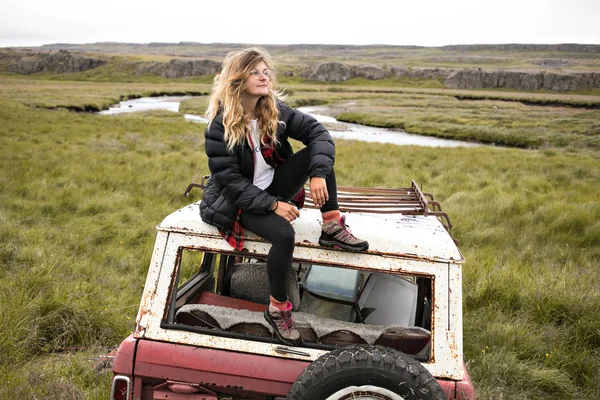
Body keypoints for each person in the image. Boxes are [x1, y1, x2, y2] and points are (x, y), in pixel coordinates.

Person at [199, 47, 368, 346]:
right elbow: (231, 184)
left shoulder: (274, 109)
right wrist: (274, 205)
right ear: (238, 79)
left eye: (266, 72)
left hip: (271, 187)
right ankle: (277, 310)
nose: (264, 77)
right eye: (255, 72)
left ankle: (331, 224)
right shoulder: (219, 126)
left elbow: (319, 133)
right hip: (238, 201)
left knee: (317, 155)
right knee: (283, 236)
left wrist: (317, 174)